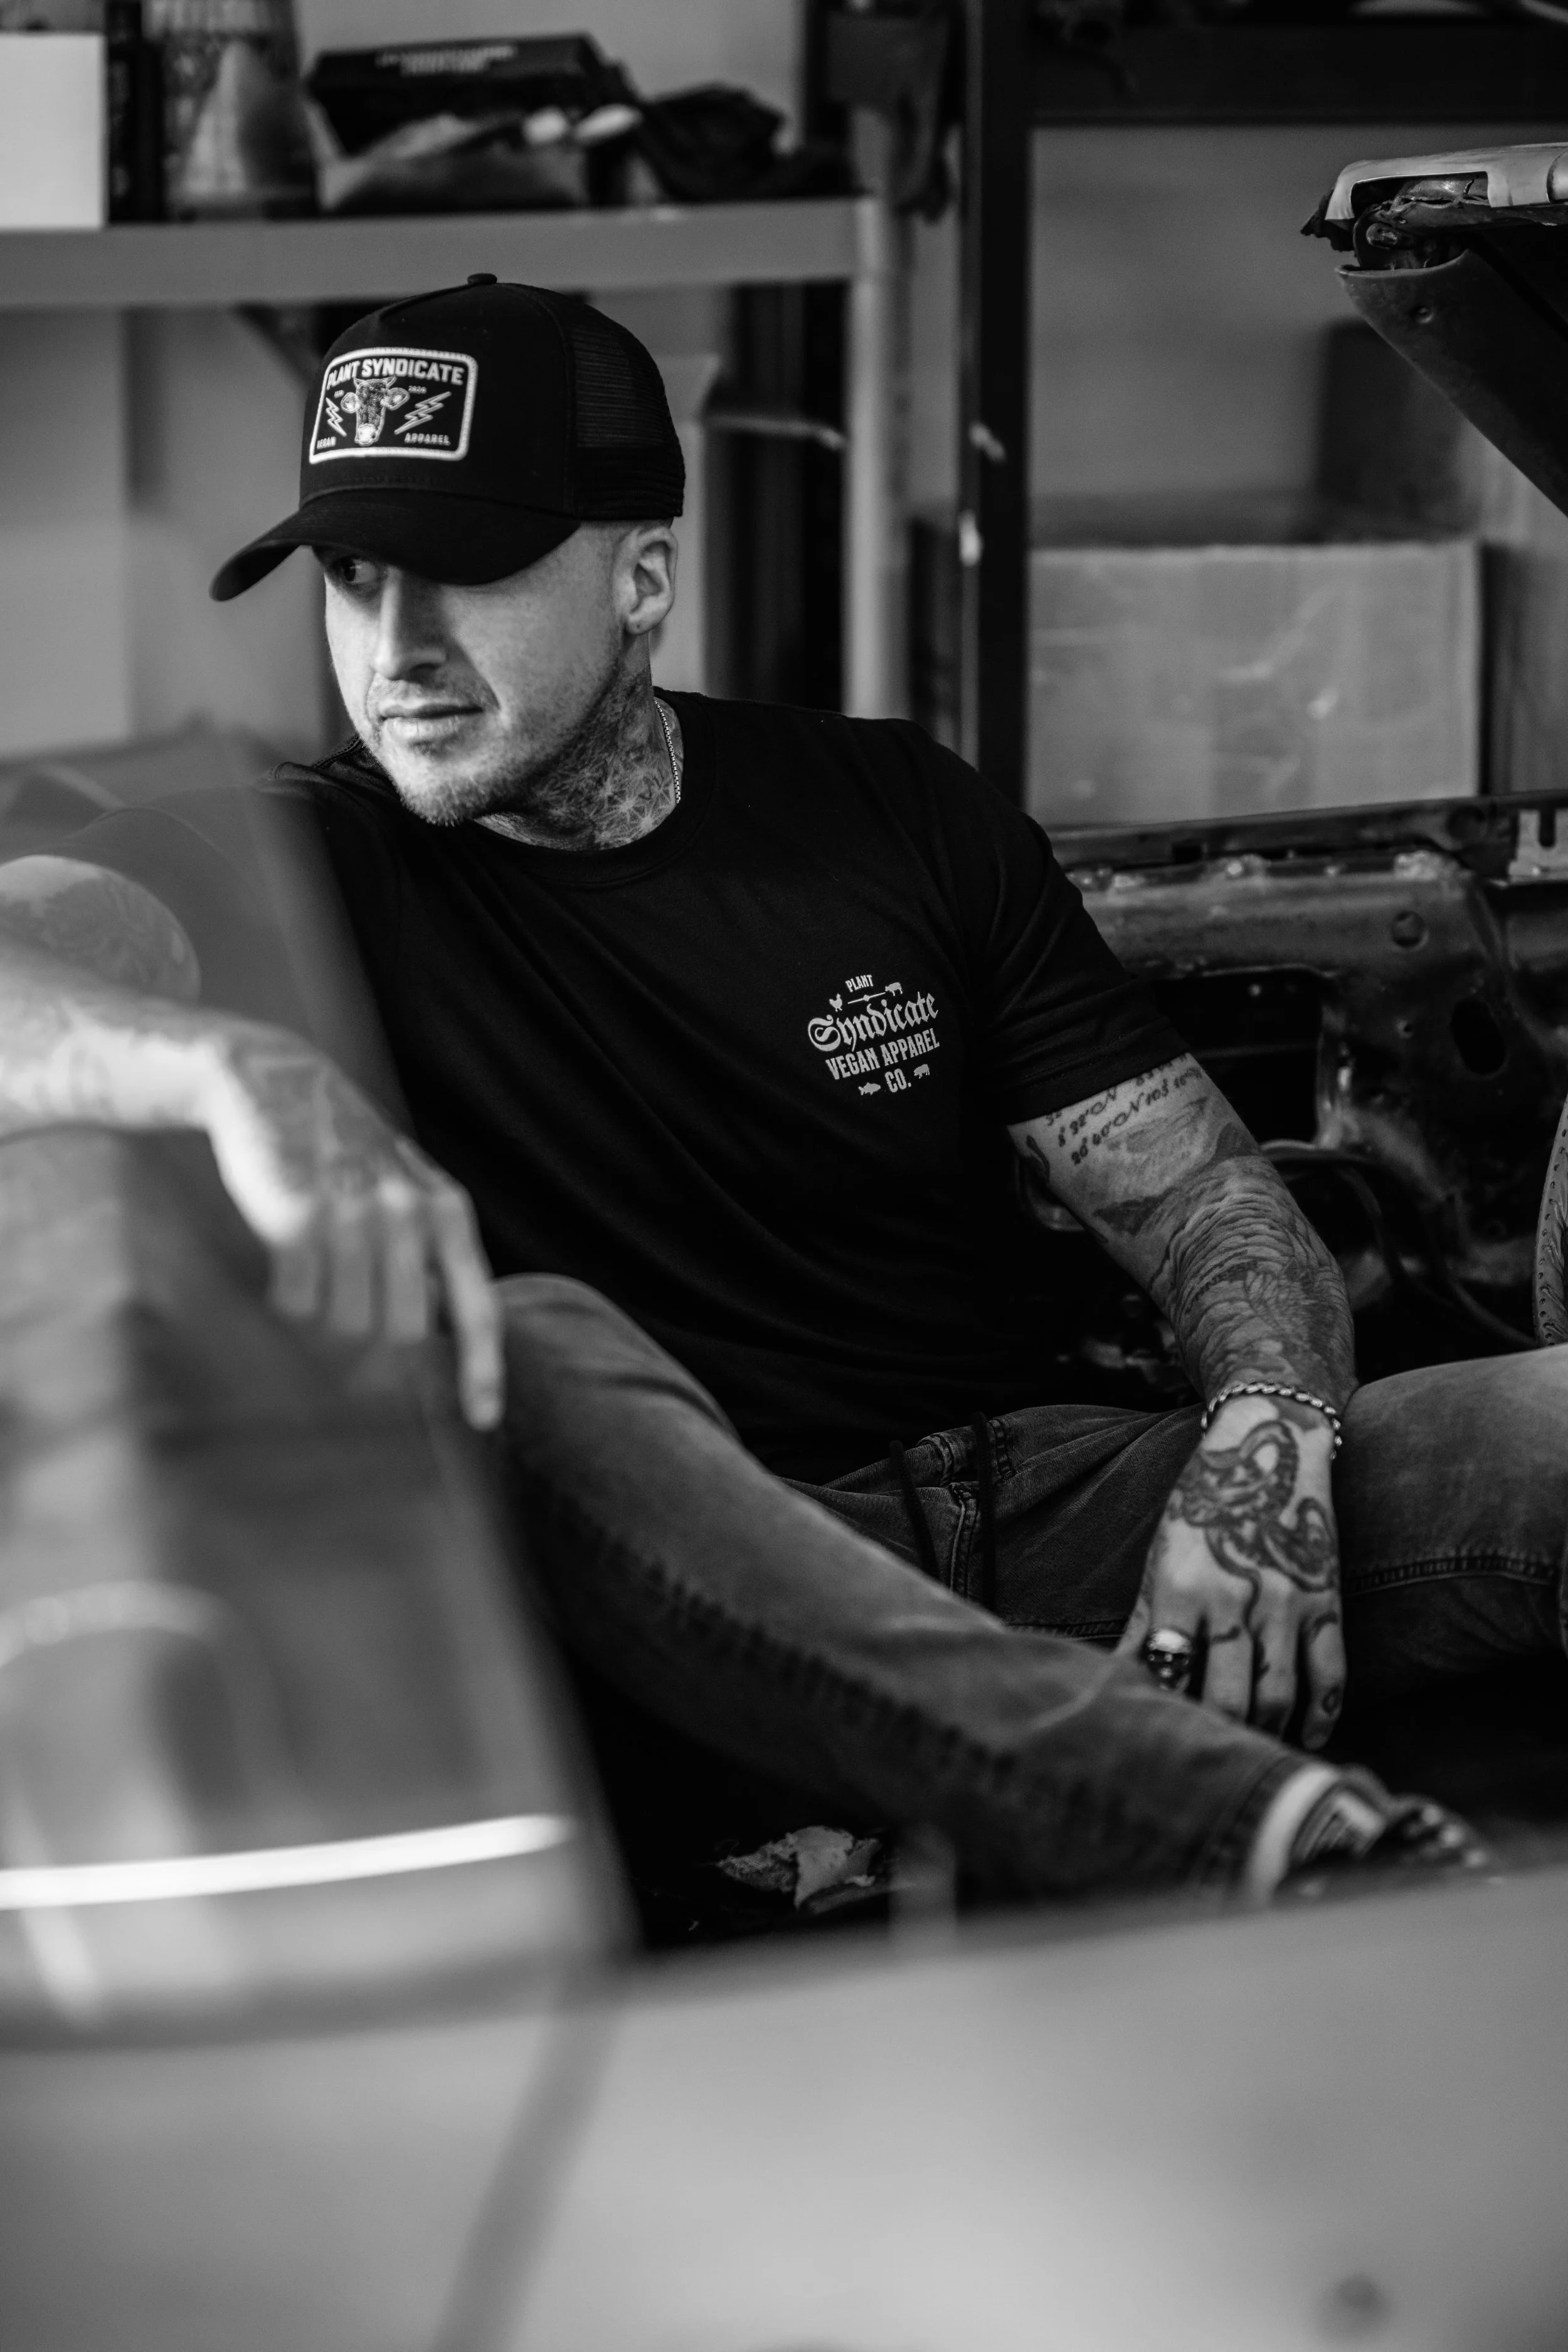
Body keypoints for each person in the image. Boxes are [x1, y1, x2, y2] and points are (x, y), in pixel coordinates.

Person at [0, 278, 1557, 1911]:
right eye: (356, 577)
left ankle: (972, 1780)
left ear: (644, 577)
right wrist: (224, 1058)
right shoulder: (270, 864)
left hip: (1045, 1500)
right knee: (518, 1340)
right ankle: (1252, 1833)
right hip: (690, 1603)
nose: (398, 653)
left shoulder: (893, 812)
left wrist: (1265, 1449)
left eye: (465, 572)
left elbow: (1210, 1204)